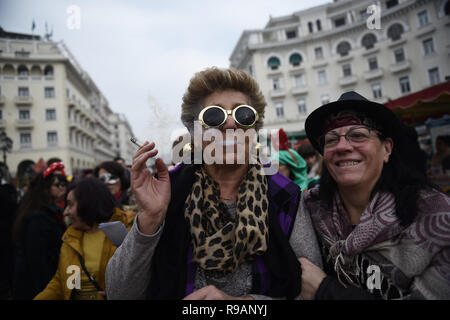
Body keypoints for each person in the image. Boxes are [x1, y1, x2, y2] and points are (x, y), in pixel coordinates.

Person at [106, 67, 322, 300]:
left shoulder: (285, 196)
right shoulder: (168, 190)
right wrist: (150, 218)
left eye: (243, 115)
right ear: (195, 132)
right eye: (214, 116)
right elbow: (120, 294)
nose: (230, 125)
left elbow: (310, 292)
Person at [298, 91, 450, 300]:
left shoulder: (436, 215)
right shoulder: (309, 209)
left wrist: (325, 290)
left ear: (386, 149)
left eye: (358, 135)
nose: (342, 146)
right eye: (331, 140)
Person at [34, 178, 133, 300]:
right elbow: (62, 284)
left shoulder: (121, 230)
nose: (65, 212)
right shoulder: (72, 237)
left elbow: (137, 274)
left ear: (87, 203)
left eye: (70, 205)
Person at [12, 164, 68, 299]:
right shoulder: (38, 218)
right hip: (38, 286)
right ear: (45, 189)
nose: (62, 187)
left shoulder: (47, 211)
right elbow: (36, 260)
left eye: (62, 184)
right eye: (57, 185)